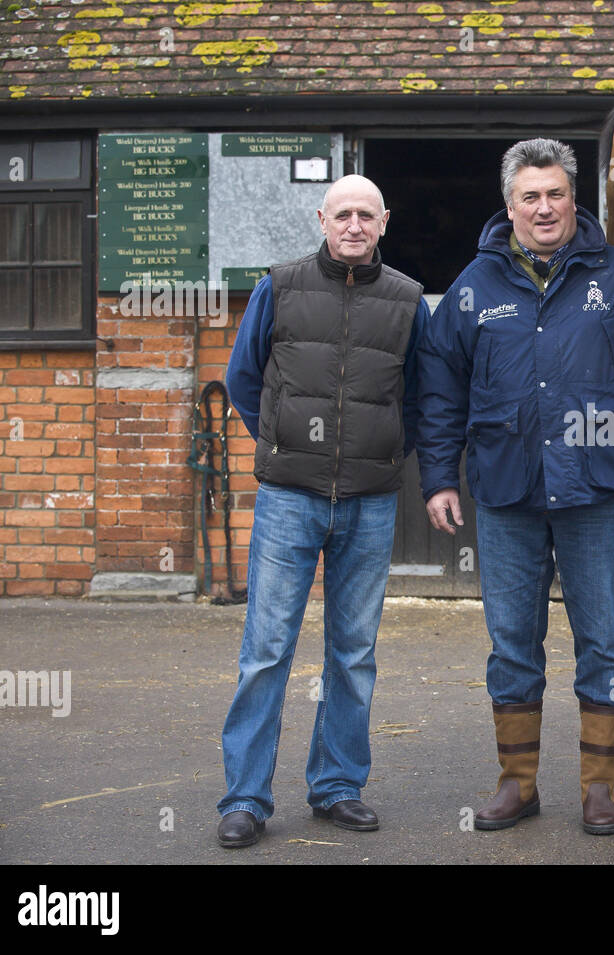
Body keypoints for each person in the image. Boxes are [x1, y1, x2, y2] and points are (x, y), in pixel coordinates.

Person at [417, 138, 614, 836]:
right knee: (511, 643)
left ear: (574, 198)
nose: (544, 207)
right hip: (506, 490)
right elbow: (438, 387)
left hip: (596, 491)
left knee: (602, 643)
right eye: (530, 196)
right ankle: (517, 783)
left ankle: (598, 788)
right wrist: (437, 476)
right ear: (510, 205)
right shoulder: (473, 289)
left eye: (555, 194)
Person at [215, 174, 429, 848]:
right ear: (322, 218)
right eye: (344, 214)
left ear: (384, 222)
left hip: (368, 503)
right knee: (266, 651)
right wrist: (279, 440)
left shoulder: (407, 301)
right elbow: (243, 378)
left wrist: (388, 449)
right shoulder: (279, 286)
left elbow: (421, 397)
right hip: (287, 498)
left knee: (354, 652)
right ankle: (246, 797)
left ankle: (337, 784)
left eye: (368, 214)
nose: (355, 225)